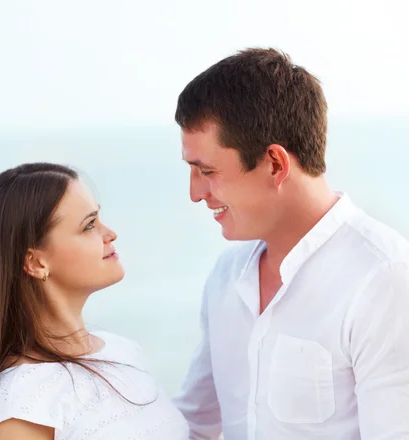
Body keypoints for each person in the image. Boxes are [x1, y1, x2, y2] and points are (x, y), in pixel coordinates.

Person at [172, 48, 409, 440]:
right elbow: (194, 426)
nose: (195, 193)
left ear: (275, 165)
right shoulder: (226, 277)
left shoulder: (385, 280)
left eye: (208, 171)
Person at [0, 162, 189, 440]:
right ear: (36, 262)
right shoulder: (25, 403)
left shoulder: (122, 351)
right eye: (89, 226)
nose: (110, 234)